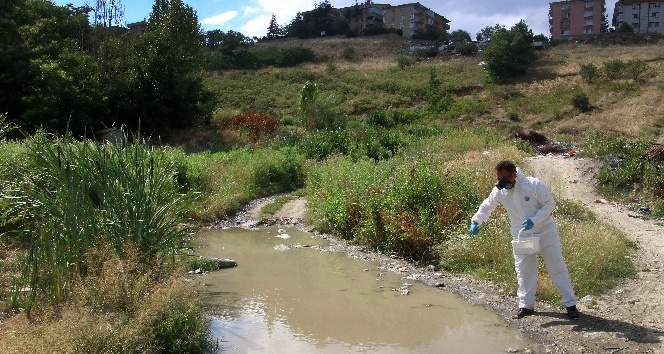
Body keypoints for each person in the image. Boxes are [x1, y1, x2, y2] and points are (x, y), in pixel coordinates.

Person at [469, 160, 580, 320]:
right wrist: (476, 221)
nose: (501, 182)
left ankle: (570, 305)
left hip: (545, 233)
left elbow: (550, 204)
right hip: (522, 236)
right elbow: (487, 205)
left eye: (504, 178)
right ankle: (526, 306)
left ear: (514, 174)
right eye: (499, 178)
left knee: (557, 267)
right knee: (524, 271)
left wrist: (534, 220)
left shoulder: (533, 184)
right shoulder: (500, 191)